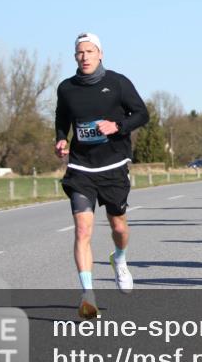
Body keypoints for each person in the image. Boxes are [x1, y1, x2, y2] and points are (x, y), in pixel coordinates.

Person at [54, 32, 149, 320]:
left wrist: (118, 126)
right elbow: (61, 119)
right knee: (83, 230)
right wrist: (61, 138)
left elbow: (141, 114)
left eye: (89, 51)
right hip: (81, 168)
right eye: (80, 52)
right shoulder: (66, 88)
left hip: (113, 166)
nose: (84, 57)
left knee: (118, 226)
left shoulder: (117, 82)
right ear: (75, 56)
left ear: (100, 54)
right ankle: (88, 295)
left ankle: (119, 259)